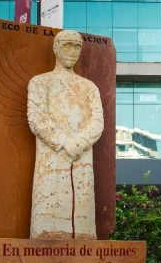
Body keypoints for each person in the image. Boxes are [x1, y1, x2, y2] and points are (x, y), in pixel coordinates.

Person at [27, 29, 104, 239]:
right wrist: (63, 142)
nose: (72, 51)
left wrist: (80, 142)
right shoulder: (40, 82)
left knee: (83, 222)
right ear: (56, 48)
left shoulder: (89, 87)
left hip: (81, 156)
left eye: (77, 46)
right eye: (67, 45)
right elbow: (37, 118)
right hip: (51, 157)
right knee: (48, 222)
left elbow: (97, 121)